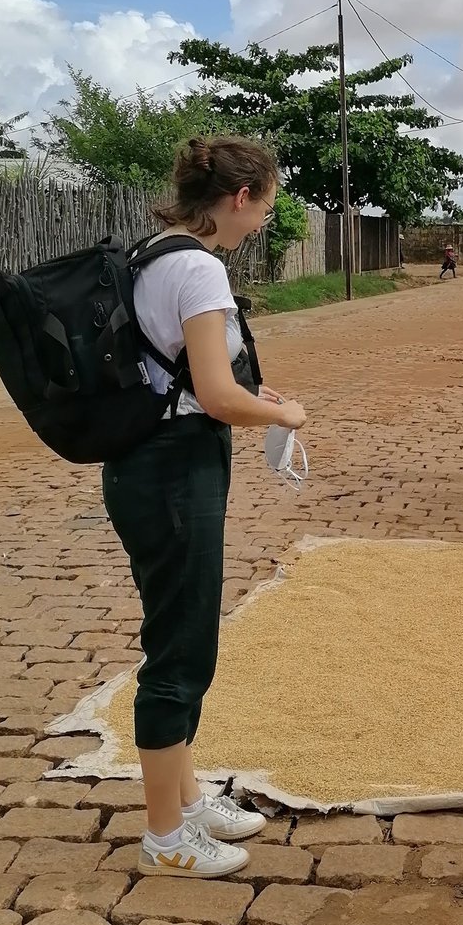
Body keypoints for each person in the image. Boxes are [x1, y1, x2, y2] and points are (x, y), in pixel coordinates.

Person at [104, 136, 307, 877]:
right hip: (174, 470)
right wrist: (283, 417)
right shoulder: (199, 268)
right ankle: (165, 836)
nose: (263, 223)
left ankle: (187, 799)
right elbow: (218, 396)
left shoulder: (153, 251)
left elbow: (185, 377)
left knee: (180, 630)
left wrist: (257, 399)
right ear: (241, 197)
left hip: (147, 463)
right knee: (180, 650)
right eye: (267, 206)